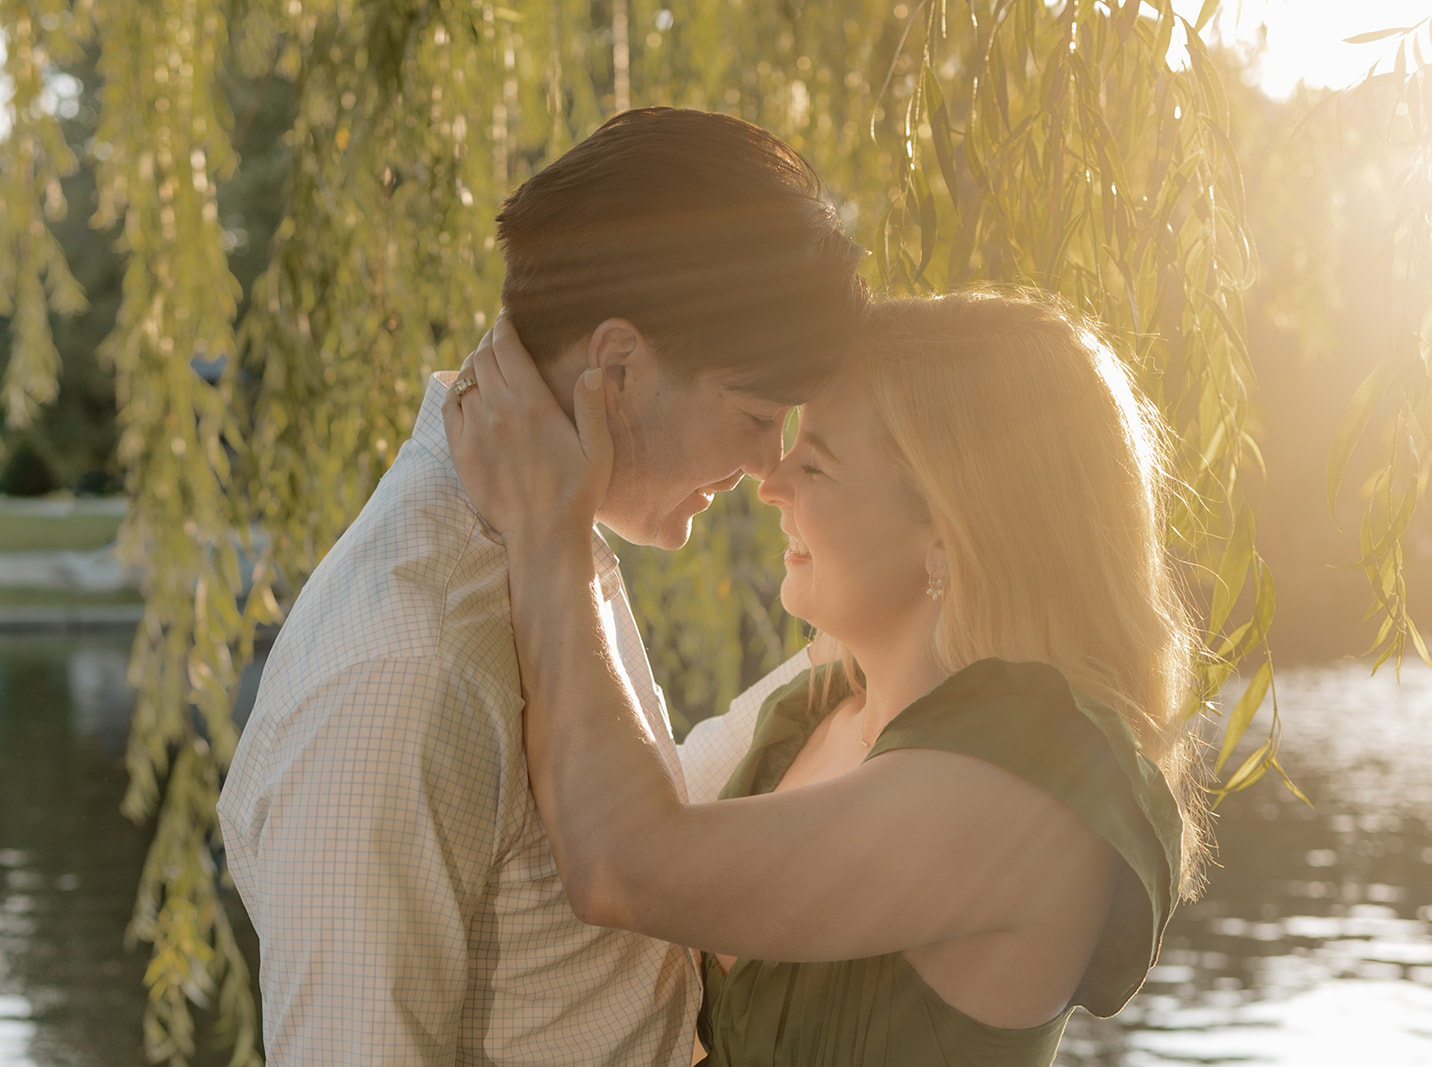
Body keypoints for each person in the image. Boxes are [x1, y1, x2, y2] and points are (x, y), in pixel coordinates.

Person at [216, 107, 868, 1065]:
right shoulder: (409, 657)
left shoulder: (543, 539)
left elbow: (636, 818)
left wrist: (884, 633)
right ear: (615, 366)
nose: (768, 462)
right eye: (755, 412)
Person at [444, 290, 1210, 1066]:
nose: (769, 481)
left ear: (949, 532)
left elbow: (619, 862)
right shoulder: (817, 708)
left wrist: (550, 527)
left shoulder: (1024, 790)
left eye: (817, 461)